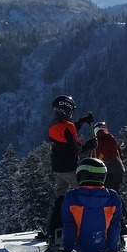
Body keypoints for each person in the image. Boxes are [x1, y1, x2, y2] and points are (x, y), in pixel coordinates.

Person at [44, 157, 127, 252]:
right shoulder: (113, 196)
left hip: (78, 246)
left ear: (80, 176)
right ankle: (116, 246)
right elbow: (114, 227)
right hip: (104, 245)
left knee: (59, 204)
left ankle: (56, 242)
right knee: (114, 220)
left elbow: (69, 227)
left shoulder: (71, 197)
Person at [41, 95, 96, 240]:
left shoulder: (55, 123)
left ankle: (50, 227)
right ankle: (89, 225)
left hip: (57, 166)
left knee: (59, 196)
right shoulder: (65, 126)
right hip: (68, 168)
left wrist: (83, 121)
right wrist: (89, 145)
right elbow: (75, 148)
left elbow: (69, 132)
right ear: (66, 110)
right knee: (84, 192)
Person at [93, 121, 125, 194]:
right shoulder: (111, 138)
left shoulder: (97, 141)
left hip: (108, 171)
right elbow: (120, 153)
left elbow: (96, 157)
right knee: (115, 192)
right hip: (118, 168)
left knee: (105, 192)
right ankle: (118, 204)